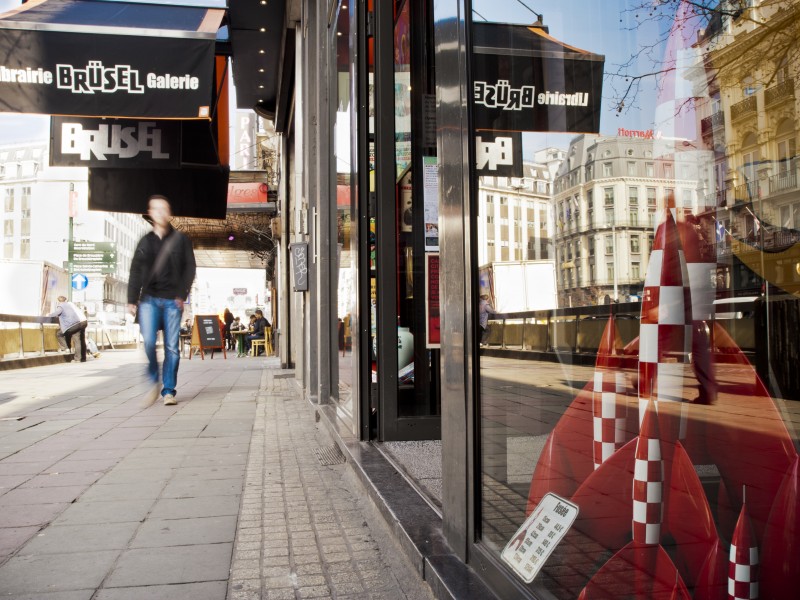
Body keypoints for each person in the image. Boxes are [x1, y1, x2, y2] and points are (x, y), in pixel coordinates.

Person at [127, 195, 196, 407]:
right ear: (150, 212)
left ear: (169, 213)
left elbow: (190, 268)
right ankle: (154, 381)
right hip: (148, 300)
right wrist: (131, 300)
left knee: (172, 348)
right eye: (155, 209)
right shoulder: (145, 241)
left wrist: (182, 295)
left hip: (171, 301)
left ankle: (168, 391)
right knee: (148, 342)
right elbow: (136, 271)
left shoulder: (181, 240)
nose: (160, 212)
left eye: (163, 209)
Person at [48, 295, 88, 362]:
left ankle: (66, 348)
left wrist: (49, 315)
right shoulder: (70, 305)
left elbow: (57, 312)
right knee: (78, 340)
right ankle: (79, 359)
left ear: (58, 301)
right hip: (78, 323)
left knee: (59, 334)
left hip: (71, 325)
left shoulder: (61, 306)